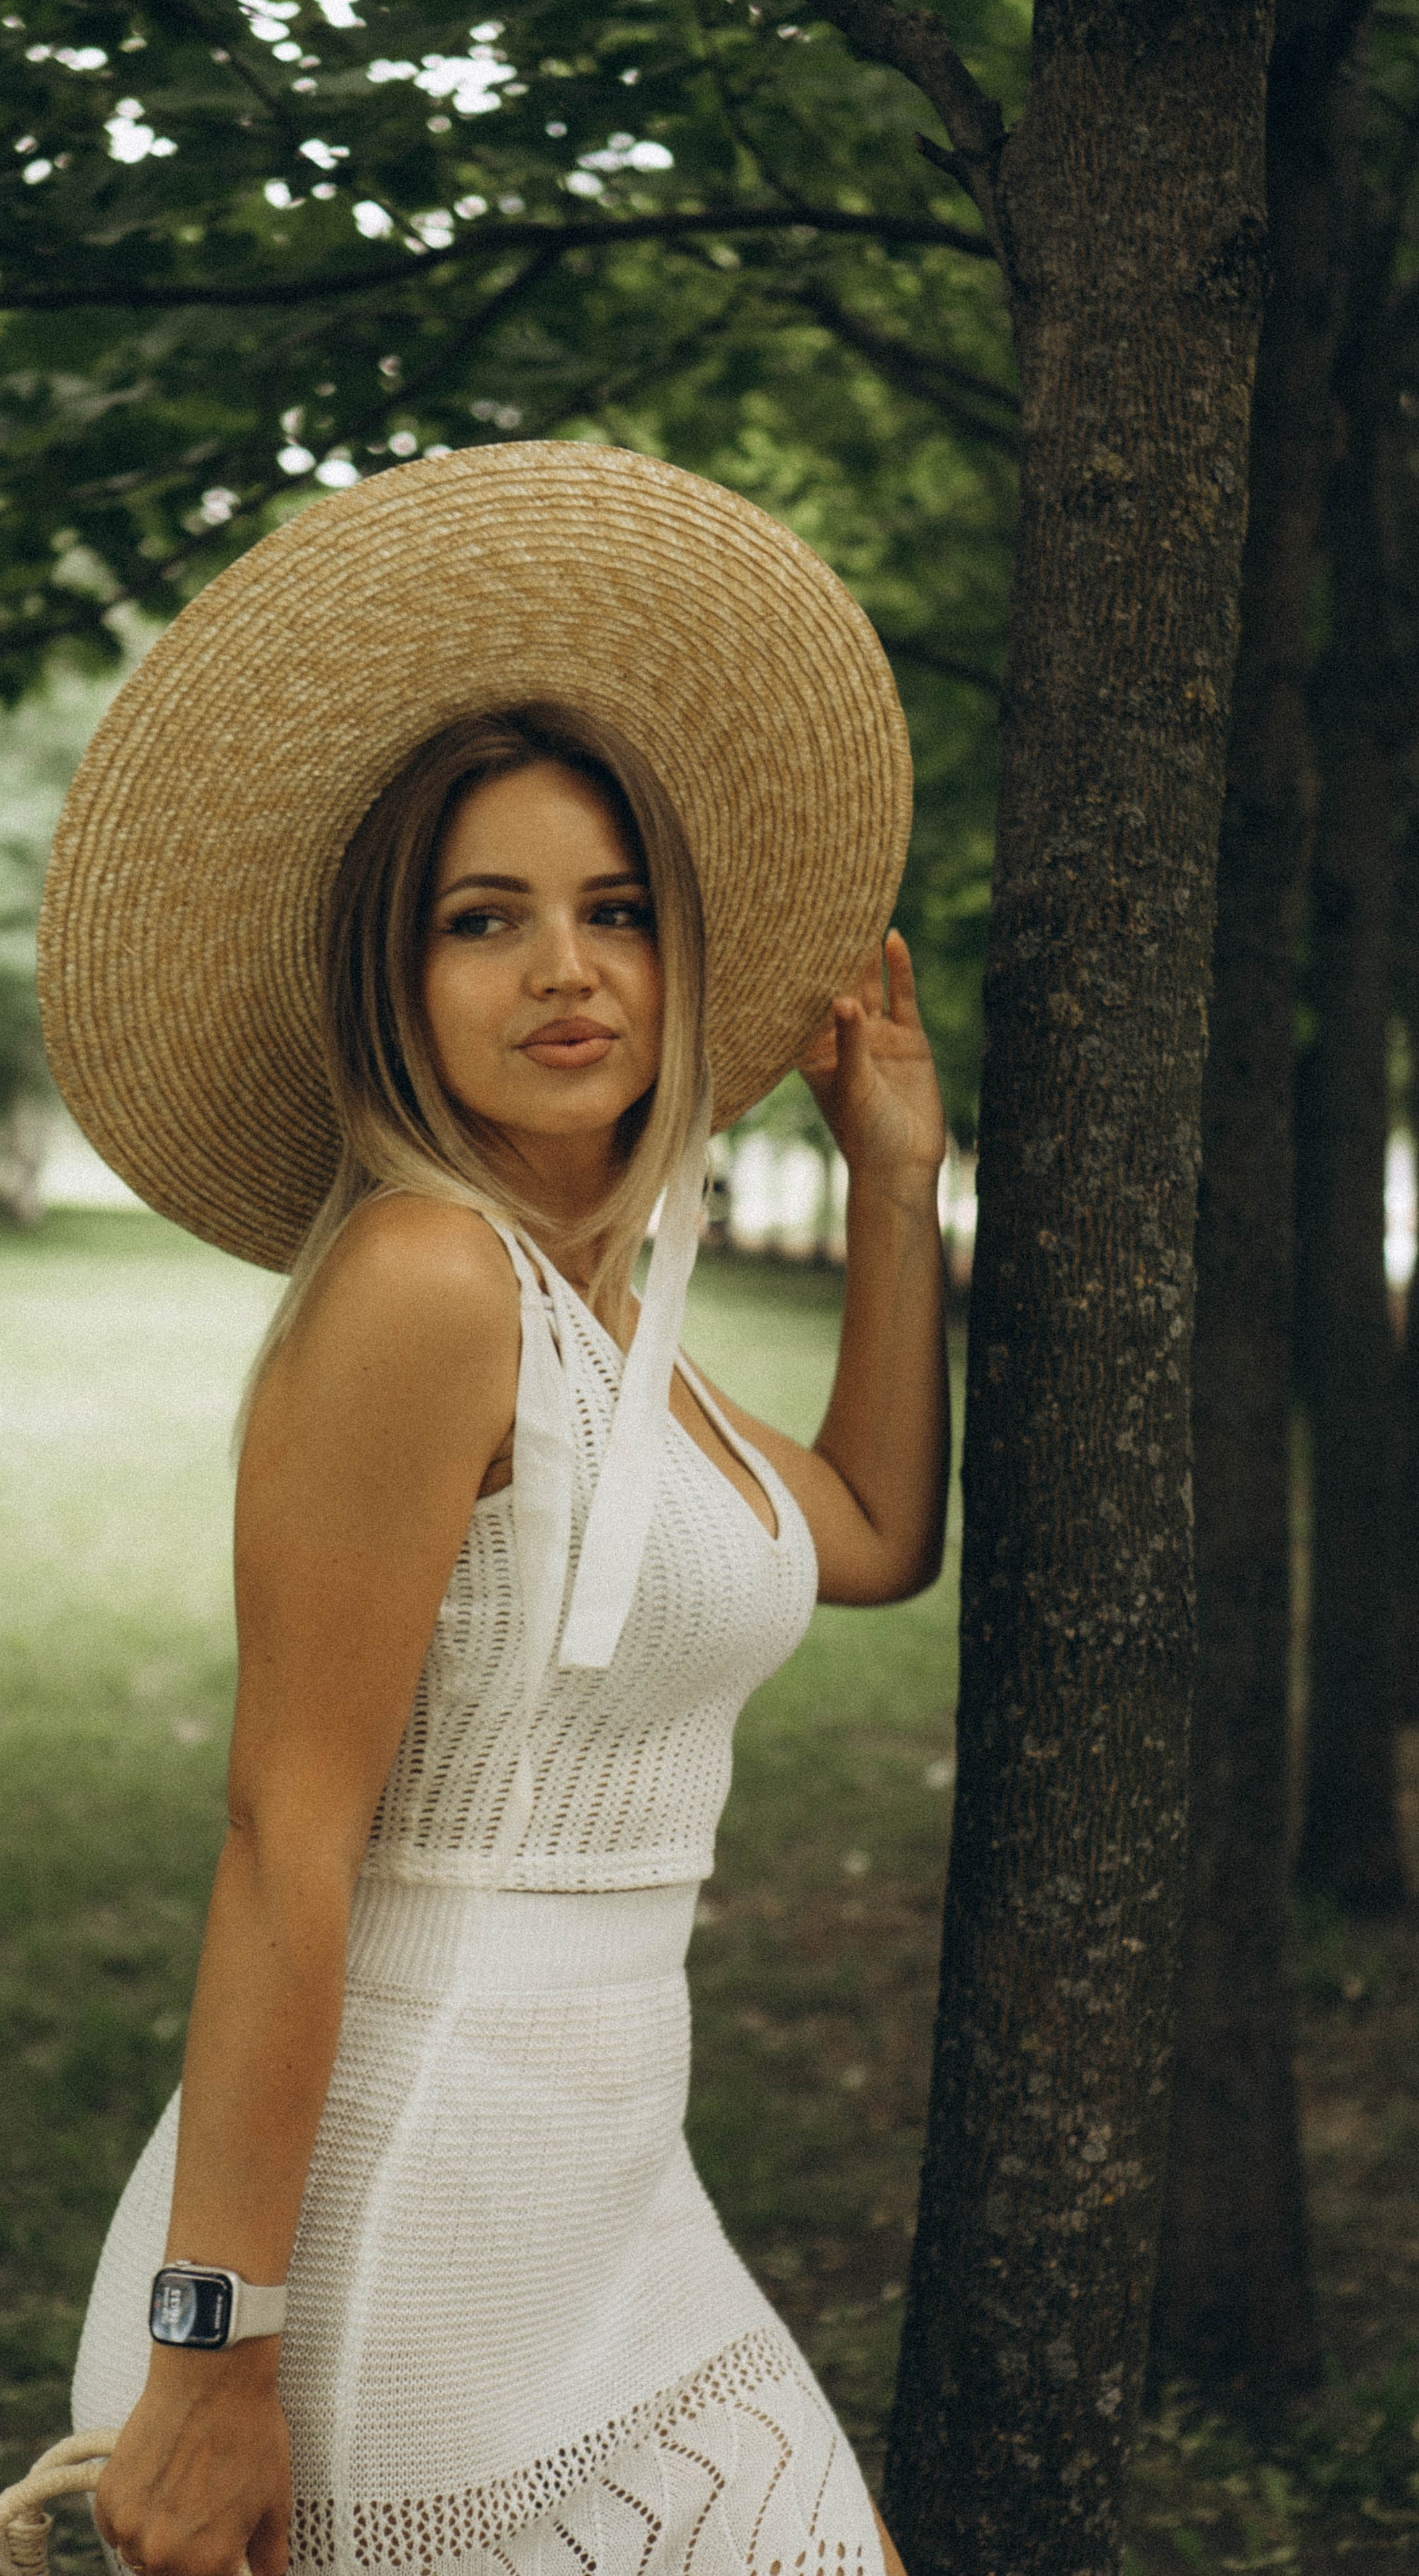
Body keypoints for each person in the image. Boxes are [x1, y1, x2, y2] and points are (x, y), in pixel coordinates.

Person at [42, 445, 946, 2576]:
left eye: (617, 910)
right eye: (487, 919)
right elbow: (286, 1838)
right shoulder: (429, 1282)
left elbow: (880, 1537)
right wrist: (209, 2360)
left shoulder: (600, 1323)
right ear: (397, 980)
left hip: (619, 2204)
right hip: (409, 2225)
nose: (572, 971)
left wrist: (898, 1183)